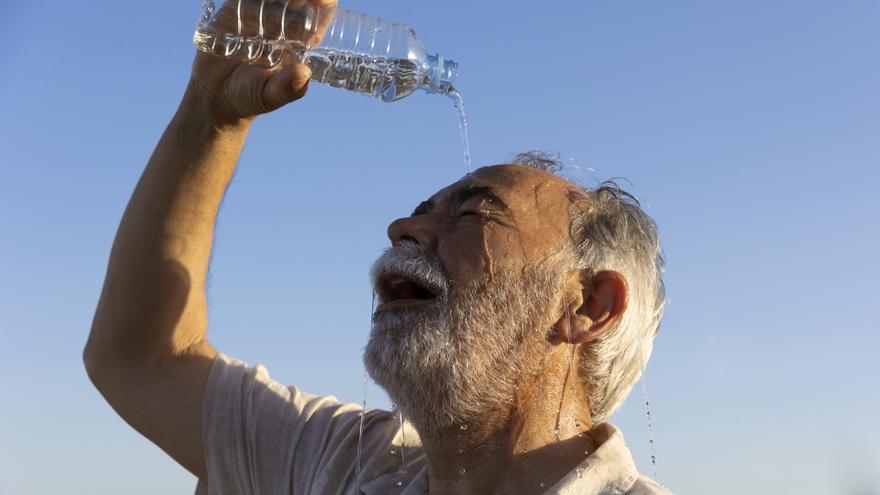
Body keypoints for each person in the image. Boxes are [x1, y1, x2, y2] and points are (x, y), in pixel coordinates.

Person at [84, 1, 672, 493]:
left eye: (474, 213)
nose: (401, 229)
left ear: (589, 306)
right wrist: (210, 115)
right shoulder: (348, 465)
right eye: (420, 212)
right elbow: (142, 357)